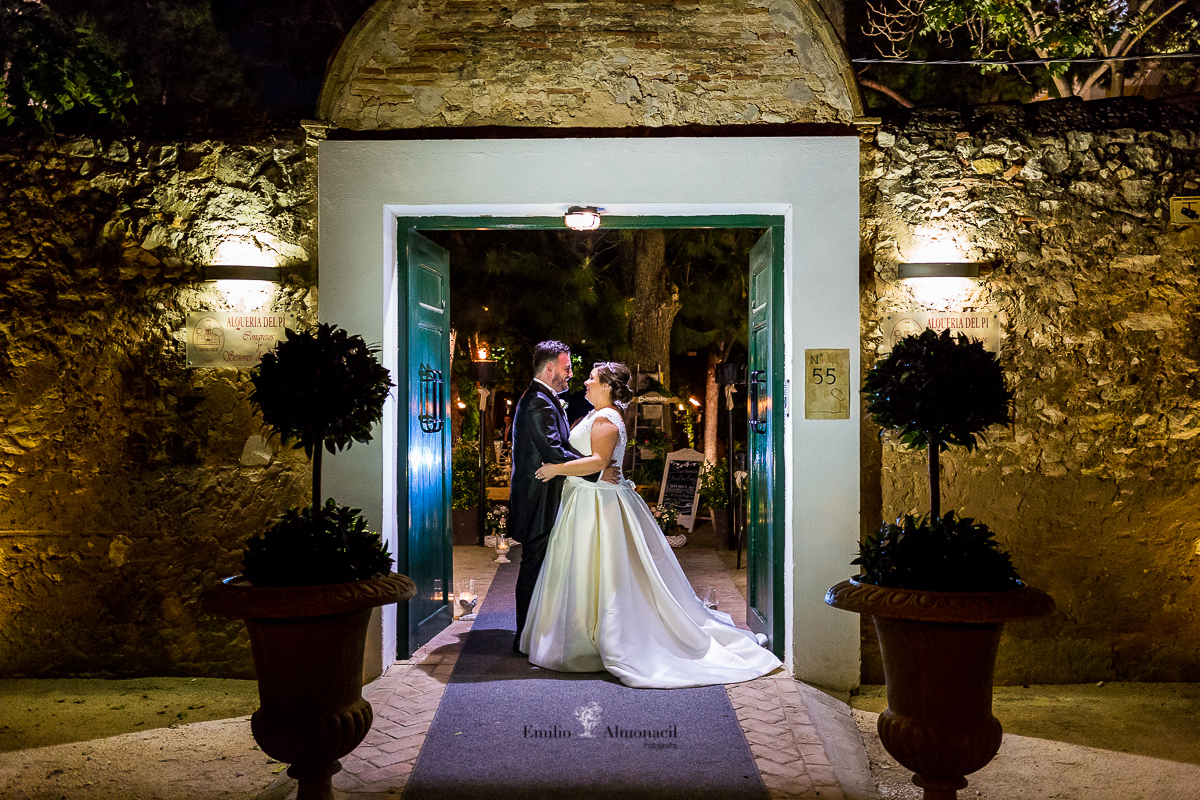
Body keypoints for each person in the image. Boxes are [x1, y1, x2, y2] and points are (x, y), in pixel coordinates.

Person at [520, 362, 782, 689]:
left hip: (599, 504)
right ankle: (581, 635)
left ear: (606, 386)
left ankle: (608, 639)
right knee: (585, 571)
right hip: (586, 499)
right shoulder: (596, 414)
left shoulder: (605, 419)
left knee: (606, 573)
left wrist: (556, 469)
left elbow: (600, 463)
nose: (585, 382)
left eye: (591, 378)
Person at [509, 341, 607, 653]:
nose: (571, 374)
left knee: (539, 564)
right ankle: (524, 635)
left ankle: (534, 630)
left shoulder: (545, 399)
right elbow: (554, 450)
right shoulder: (538, 401)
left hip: (546, 493)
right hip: (537, 497)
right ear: (549, 368)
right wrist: (597, 469)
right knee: (533, 564)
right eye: (566, 368)